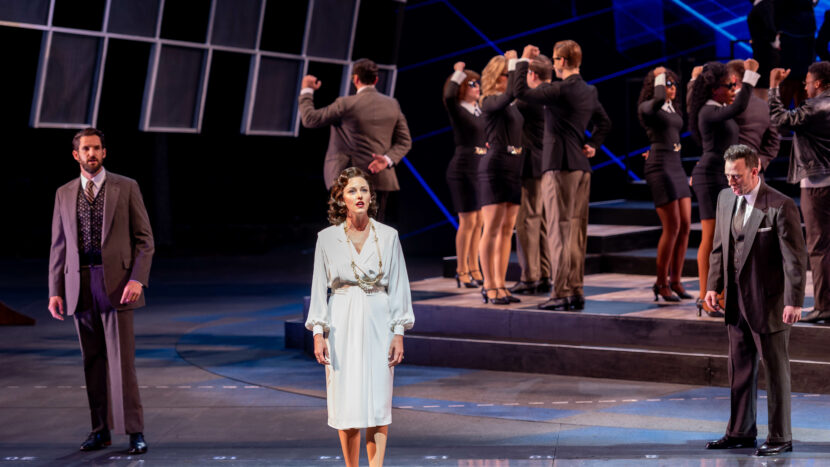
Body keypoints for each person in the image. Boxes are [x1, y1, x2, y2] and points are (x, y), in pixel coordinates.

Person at [47, 128, 154, 455]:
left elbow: (145, 240)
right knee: (91, 361)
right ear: (75, 155)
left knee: (122, 363)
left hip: (118, 285)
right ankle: (100, 431)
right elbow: (58, 245)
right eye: (85, 149)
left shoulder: (127, 186)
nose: (91, 154)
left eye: (96, 148)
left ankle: (134, 431)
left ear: (104, 152)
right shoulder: (64, 193)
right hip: (79, 284)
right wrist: (55, 290)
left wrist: (137, 279)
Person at [306, 167, 414, 467]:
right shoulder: (327, 239)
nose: (359, 195)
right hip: (341, 319)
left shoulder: (388, 236)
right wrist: (318, 332)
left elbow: (399, 286)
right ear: (341, 198)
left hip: (379, 317)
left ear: (371, 196)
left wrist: (398, 332)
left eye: (364, 190)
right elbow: (319, 288)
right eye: (352, 190)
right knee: (347, 402)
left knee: (378, 402)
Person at [704, 144, 806, 457]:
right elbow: (719, 247)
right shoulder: (725, 199)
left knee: (775, 372)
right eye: (727, 176)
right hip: (736, 302)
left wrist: (794, 301)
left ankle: (780, 436)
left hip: (769, 302)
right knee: (740, 369)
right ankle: (740, 432)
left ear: (755, 170)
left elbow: (794, 259)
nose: (731, 182)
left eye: (736, 176)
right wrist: (713, 286)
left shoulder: (780, 205)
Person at [513, 41, 612, 311]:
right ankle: (575, 290)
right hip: (581, 168)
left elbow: (520, 90)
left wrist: (523, 60)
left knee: (558, 231)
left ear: (564, 61)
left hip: (559, 167)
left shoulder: (559, 89)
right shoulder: (589, 90)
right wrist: (592, 144)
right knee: (576, 233)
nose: (555, 64)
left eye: (556, 59)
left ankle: (560, 292)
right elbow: (604, 122)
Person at [298, 59, 412, 222]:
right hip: (380, 179)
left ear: (356, 79)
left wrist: (307, 90)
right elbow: (405, 141)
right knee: (373, 231)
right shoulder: (392, 104)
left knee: (347, 231)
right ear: (376, 80)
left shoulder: (345, 104)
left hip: (348, 179)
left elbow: (310, 119)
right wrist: (387, 160)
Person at [688, 59, 759, 317]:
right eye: (728, 86)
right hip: (709, 177)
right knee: (711, 238)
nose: (732, 90)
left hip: (721, 177)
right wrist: (750, 74)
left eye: (733, 85)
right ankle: (705, 298)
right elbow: (740, 104)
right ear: (714, 89)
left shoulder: (718, 107)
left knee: (724, 239)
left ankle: (718, 295)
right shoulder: (708, 110)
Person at [769, 62, 830, 323]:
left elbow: (779, 119)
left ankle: (824, 307)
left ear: (818, 83)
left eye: (807, 82)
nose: (805, 86)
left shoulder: (814, 107)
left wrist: (774, 87)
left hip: (818, 184)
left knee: (819, 247)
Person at [637, 66, 691, 303]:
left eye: (674, 83)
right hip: (660, 166)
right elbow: (658, 98)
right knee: (673, 226)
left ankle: (676, 281)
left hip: (676, 164)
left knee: (686, 225)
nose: (672, 88)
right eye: (667, 84)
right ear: (656, 85)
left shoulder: (671, 108)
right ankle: (661, 282)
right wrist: (659, 75)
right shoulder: (648, 107)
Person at [477, 51, 524, 305]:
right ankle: (489, 285)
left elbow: (515, 95)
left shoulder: (511, 104)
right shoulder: (489, 100)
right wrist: (516, 62)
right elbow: (511, 94)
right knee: (492, 228)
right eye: (508, 75)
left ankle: (501, 284)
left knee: (507, 230)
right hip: (495, 165)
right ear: (498, 76)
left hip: (514, 165)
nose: (511, 79)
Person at [510, 55, 553, 296]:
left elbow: (513, 95)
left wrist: (519, 62)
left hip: (531, 166)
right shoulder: (555, 95)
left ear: (532, 75)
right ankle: (544, 274)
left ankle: (530, 277)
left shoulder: (530, 99)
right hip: (547, 164)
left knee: (527, 221)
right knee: (542, 221)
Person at [443, 61, 485, 289]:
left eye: (478, 83)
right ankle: (462, 270)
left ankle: (474, 267)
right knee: (468, 221)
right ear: (461, 87)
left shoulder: (480, 110)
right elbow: (449, 96)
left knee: (479, 221)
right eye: (471, 84)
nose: (477, 87)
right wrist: (458, 73)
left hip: (481, 168)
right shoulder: (458, 108)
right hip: (463, 169)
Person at [725, 60, 780, 173]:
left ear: (733, 79)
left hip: (728, 173)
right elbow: (774, 142)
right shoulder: (765, 106)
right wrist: (760, 162)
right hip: (754, 174)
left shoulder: (727, 104)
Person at [747, 0, 779, 101]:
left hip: (766, 55)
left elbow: (771, 30)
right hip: (762, 54)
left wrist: (760, 41)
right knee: (761, 86)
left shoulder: (765, 5)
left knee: (764, 86)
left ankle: (765, 110)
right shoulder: (763, 5)